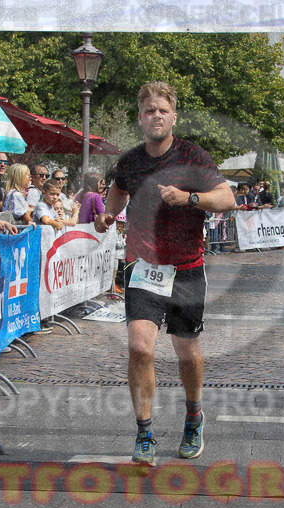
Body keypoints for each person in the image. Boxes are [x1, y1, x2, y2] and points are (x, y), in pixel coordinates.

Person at [93, 81, 235, 466]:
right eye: (149, 110)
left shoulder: (193, 156)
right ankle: (144, 434)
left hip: (187, 268)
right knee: (140, 347)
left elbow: (227, 199)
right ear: (140, 118)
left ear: (173, 116)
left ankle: (193, 416)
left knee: (186, 351)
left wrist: (190, 198)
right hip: (142, 267)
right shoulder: (132, 160)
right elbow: (120, 189)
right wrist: (109, 213)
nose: (156, 116)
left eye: (162, 110)